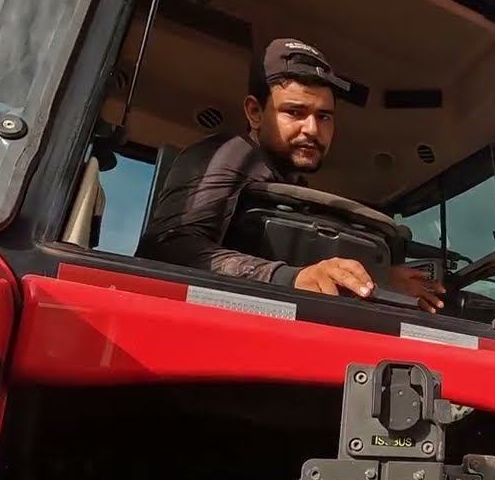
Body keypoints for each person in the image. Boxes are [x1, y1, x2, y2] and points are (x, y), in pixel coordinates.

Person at [134, 37, 445, 312]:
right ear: (255, 112)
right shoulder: (229, 155)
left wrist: (378, 278)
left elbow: (298, 262)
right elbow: (167, 248)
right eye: (294, 112)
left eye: (324, 116)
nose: (312, 129)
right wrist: (291, 278)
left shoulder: (291, 184)